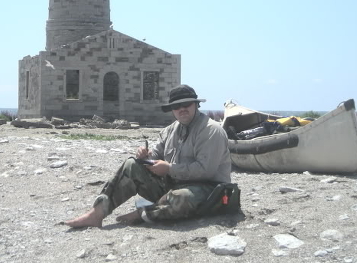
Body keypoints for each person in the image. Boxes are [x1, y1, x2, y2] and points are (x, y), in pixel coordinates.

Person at [61, 84, 232, 228]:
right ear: (172, 110)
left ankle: (143, 213)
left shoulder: (211, 130)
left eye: (186, 104)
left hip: (210, 191)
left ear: (196, 105)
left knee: (181, 197)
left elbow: (206, 171)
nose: (182, 109)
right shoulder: (170, 130)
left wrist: (169, 169)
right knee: (131, 165)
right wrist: (145, 157)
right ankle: (97, 213)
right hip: (173, 185)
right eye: (176, 106)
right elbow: (156, 155)